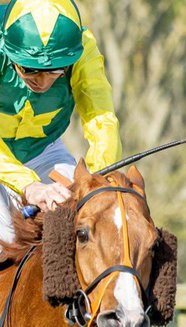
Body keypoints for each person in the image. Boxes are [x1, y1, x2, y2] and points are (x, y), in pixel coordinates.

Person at [0, 0, 119, 242]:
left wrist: (96, 180)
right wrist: (29, 185)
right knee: (8, 237)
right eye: (29, 69)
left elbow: (100, 117)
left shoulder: (82, 47)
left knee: (83, 216)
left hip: (44, 148)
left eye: (56, 70)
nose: (42, 82)